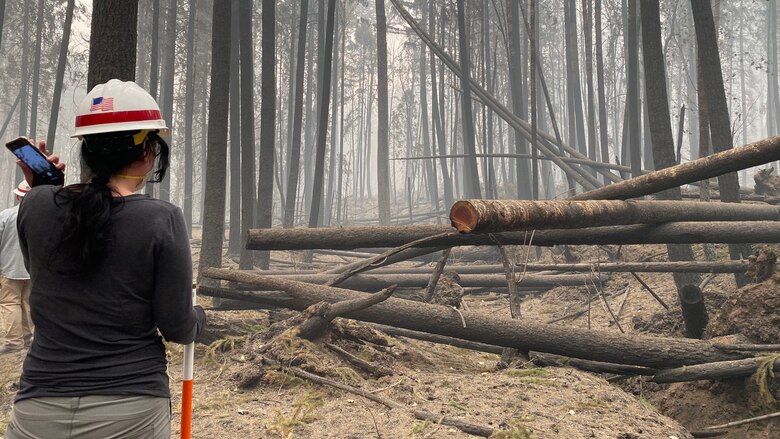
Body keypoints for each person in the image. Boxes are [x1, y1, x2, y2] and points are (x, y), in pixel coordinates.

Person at [4, 79, 206, 439]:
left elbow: (44, 272)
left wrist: (44, 187)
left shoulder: (35, 206)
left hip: (39, 407)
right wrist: (198, 318)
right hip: (131, 408)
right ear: (146, 152)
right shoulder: (162, 219)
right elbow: (177, 327)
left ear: (87, 151)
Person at [0, 181, 33, 355]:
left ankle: (13, 342)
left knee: (9, 303)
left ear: (17, 196)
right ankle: (28, 338)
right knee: (27, 302)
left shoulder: (6, 215)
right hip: (32, 270)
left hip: (9, 269)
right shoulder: (38, 216)